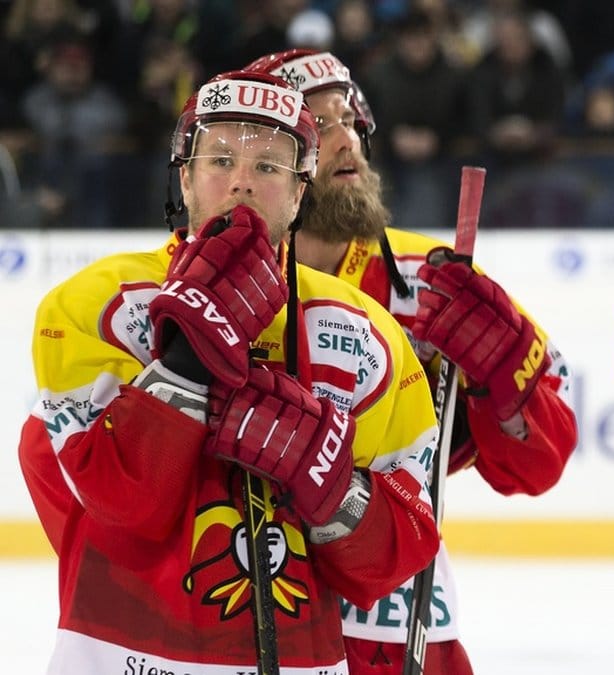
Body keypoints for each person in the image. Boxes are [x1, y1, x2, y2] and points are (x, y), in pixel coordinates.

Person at [17, 69, 443, 674]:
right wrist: (185, 360)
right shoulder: (98, 304)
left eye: (268, 166)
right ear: (185, 178)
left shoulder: (363, 332)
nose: (242, 180)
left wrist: (331, 486)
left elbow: (395, 558)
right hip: (116, 656)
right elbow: (115, 507)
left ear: (298, 193)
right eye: (221, 160)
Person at [244, 49, 578, 674]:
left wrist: (503, 375)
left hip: (395, 626)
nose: (346, 139)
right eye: (319, 125)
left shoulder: (436, 282)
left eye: (350, 120)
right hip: (247, 610)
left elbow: (541, 464)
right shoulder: (216, 285)